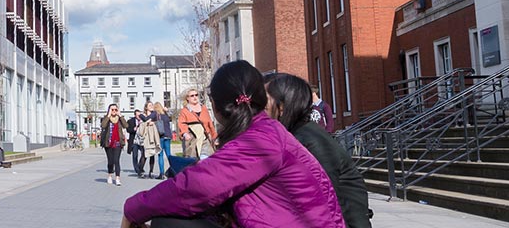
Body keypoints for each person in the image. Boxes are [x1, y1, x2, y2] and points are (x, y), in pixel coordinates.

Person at [122, 60, 344, 228]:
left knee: (167, 222)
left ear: (216, 107)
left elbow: (197, 187)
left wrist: (132, 209)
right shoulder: (265, 131)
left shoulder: (261, 140)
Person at [265, 73, 372, 228]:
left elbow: (321, 201)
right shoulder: (295, 136)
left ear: (282, 107)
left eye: (263, 103)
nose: (257, 110)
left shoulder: (311, 141)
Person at [176, 89, 217, 161]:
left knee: (205, 160)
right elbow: (182, 124)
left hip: (205, 139)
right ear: (187, 98)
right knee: (193, 162)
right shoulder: (184, 111)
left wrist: (215, 137)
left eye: (196, 95)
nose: (195, 97)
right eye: (192, 96)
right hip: (193, 141)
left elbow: (210, 123)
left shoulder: (204, 108)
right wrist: (185, 133)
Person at [99, 104, 130, 186]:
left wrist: (120, 115)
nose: (114, 111)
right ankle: (109, 175)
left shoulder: (120, 119)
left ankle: (117, 178)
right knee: (110, 161)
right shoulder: (106, 118)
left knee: (116, 161)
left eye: (115, 109)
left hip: (118, 143)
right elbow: (103, 125)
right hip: (108, 143)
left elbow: (126, 125)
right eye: (112, 109)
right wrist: (108, 115)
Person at [135, 111, 162, 179]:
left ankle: (151, 171)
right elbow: (141, 129)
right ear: (146, 107)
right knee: (144, 155)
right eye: (149, 105)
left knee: (152, 155)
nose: (151, 106)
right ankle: (140, 170)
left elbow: (158, 122)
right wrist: (146, 123)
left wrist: (154, 122)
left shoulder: (154, 115)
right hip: (145, 138)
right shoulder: (143, 116)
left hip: (152, 138)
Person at [149, 102, 173, 179]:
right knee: (169, 154)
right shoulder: (165, 115)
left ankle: (161, 173)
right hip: (168, 135)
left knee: (160, 155)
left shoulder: (156, 116)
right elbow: (171, 118)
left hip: (160, 136)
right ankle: (172, 171)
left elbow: (148, 120)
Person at [126, 109, 142, 177]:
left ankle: (140, 166)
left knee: (144, 154)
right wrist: (133, 129)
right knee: (135, 155)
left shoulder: (143, 120)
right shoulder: (130, 121)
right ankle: (136, 168)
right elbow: (128, 130)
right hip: (134, 141)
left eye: (140, 115)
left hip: (141, 140)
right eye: (138, 115)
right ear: (135, 115)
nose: (139, 116)